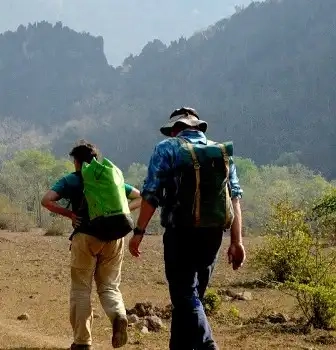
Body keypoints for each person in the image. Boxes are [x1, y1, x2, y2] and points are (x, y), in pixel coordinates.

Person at [129, 107, 245, 350]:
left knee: (185, 296)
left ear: (174, 130)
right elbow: (234, 198)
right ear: (199, 128)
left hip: (180, 232)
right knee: (191, 298)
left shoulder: (167, 148)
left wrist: (138, 233)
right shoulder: (221, 153)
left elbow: (151, 194)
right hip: (213, 233)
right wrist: (237, 241)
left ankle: (208, 345)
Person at [41, 141, 142, 350]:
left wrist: (70, 214)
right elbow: (141, 197)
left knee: (81, 289)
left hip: (86, 237)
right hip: (114, 238)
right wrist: (124, 211)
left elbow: (47, 200)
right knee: (109, 287)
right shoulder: (110, 179)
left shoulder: (72, 179)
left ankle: (82, 342)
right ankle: (119, 315)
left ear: (76, 162)